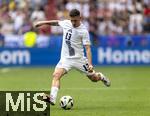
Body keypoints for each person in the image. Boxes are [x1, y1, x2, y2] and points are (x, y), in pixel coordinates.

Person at [34, 9, 111, 105]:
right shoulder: (66, 23)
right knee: (56, 75)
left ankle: (101, 76)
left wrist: (90, 64)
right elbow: (56, 22)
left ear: (80, 18)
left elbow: (87, 49)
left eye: (75, 20)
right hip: (65, 59)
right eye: (72, 20)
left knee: (94, 78)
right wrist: (42, 22)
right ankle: (52, 98)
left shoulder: (83, 31)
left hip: (79, 60)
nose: (73, 22)